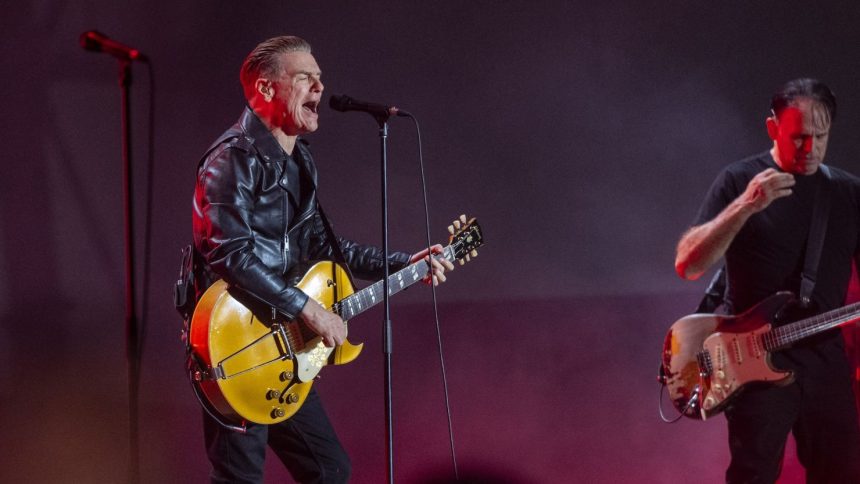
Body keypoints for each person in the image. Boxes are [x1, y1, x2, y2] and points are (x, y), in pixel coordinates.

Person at [191, 35, 454, 483]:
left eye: (319, 79)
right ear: (267, 89)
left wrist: (404, 264)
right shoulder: (231, 158)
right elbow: (228, 253)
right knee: (239, 477)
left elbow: (327, 248)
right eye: (304, 79)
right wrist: (308, 308)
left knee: (329, 470)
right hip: (239, 348)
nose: (318, 89)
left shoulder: (301, 164)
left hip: (287, 345)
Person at [674, 78, 860, 483]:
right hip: (752, 359)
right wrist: (744, 206)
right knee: (753, 475)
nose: (810, 150)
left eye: (821, 137)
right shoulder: (739, 180)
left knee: (842, 472)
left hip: (824, 360)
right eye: (799, 138)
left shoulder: (847, 193)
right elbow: (688, 264)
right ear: (773, 128)